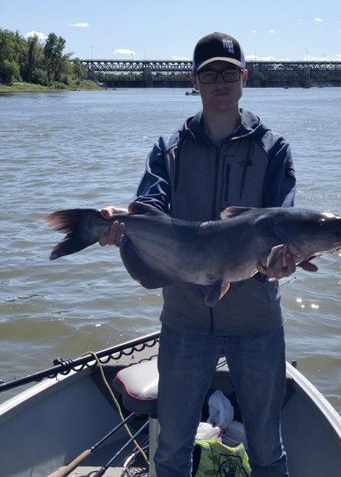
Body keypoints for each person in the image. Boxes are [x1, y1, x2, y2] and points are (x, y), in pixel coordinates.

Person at [100, 32, 296, 477]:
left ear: (245, 78)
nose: (220, 82)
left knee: (268, 450)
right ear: (194, 81)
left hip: (257, 323)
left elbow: (282, 223)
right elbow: (147, 208)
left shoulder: (274, 149)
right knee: (171, 450)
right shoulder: (168, 149)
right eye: (209, 74)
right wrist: (123, 226)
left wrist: (281, 262)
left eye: (229, 72)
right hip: (185, 319)